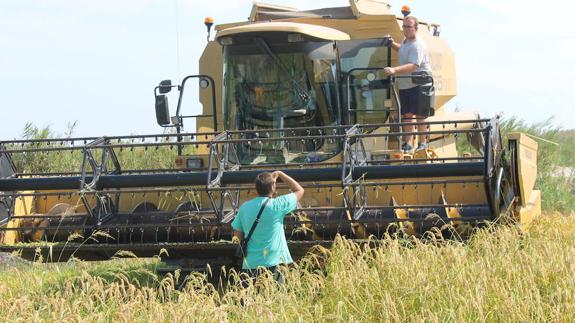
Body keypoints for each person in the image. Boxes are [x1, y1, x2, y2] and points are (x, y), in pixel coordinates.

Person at [232, 170, 304, 285]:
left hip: (250, 264)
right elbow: (299, 190)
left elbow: (237, 236)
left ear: (257, 188)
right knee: (274, 299)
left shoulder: (244, 207)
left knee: (250, 300)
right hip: (274, 262)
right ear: (273, 186)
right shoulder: (278, 205)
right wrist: (280, 174)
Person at [384, 15, 433, 152]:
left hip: (420, 83)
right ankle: (408, 144)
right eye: (404, 26)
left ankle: (422, 144)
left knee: (420, 115)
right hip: (406, 84)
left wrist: (394, 70)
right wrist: (392, 44)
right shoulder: (406, 41)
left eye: (408, 27)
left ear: (416, 28)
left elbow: (413, 65)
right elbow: (403, 51)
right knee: (407, 115)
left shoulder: (418, 44)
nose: (405, 29)